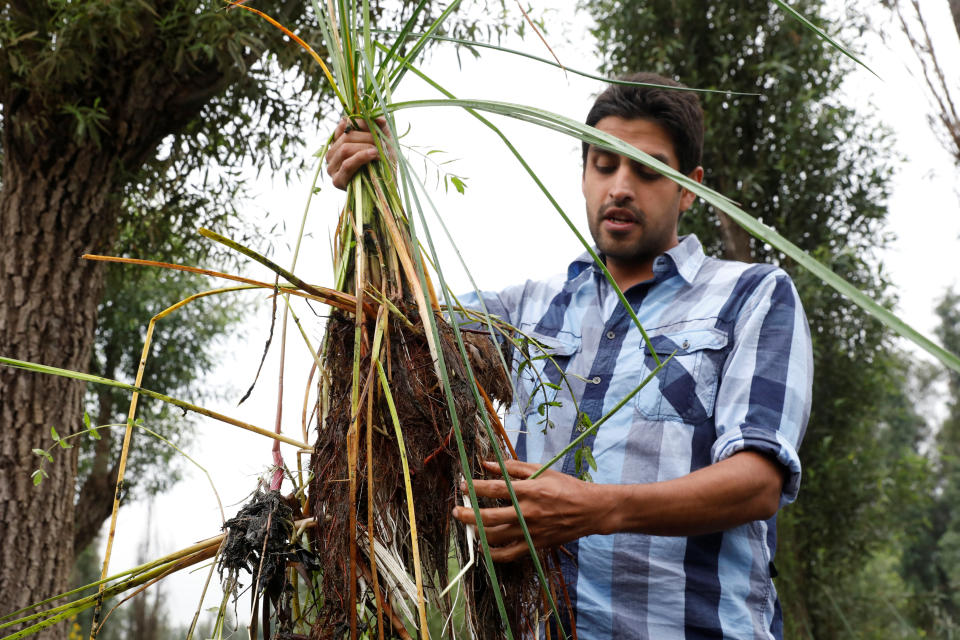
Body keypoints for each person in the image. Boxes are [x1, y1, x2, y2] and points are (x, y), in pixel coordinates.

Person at [326, 72, 813, 640]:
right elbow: (397, 332)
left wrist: (598, 508)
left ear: (689, 188)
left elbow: (758, 481)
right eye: (604, 166)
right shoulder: (525, 310)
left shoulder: (751, 296)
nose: (621, 187)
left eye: (647, 168)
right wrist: (379, 195)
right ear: (584, 176)